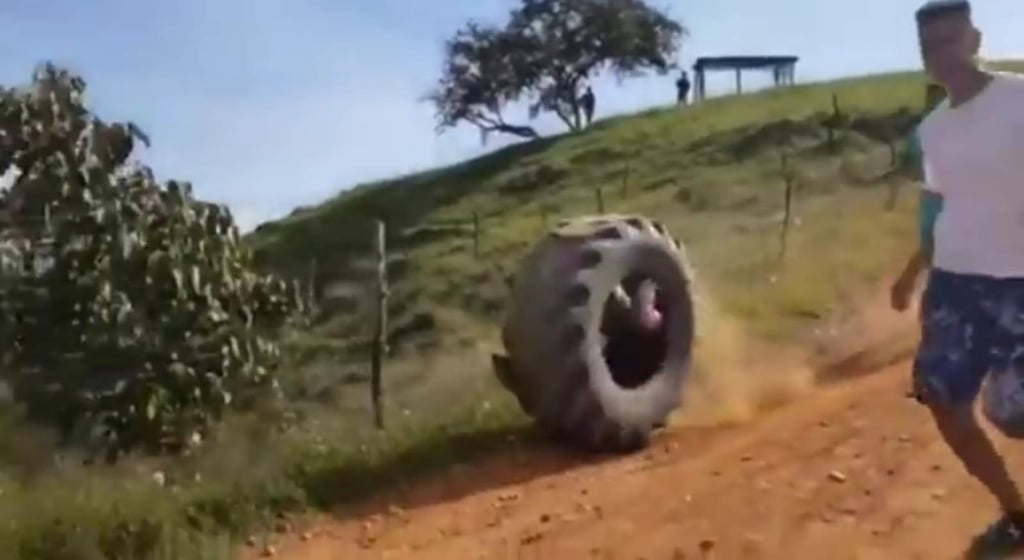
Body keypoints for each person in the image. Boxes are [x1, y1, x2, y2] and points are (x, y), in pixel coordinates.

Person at [893, 0, 1024, 555]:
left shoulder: (1019, 99)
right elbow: (937, 204)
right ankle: (1018, 515)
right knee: (944, 400)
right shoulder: (933, 129)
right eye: (929, 47)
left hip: (1019, 281)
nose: (940, 57)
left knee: (1013, 415)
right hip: (954, 283)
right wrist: (911, 272)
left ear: (973, 39)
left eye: (949, 41)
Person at [889, 82, 948, 312]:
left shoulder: (924, 129)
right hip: (941, 196)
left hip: (936, 196)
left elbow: (909, 164)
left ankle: (909, 285)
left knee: (934, 248)